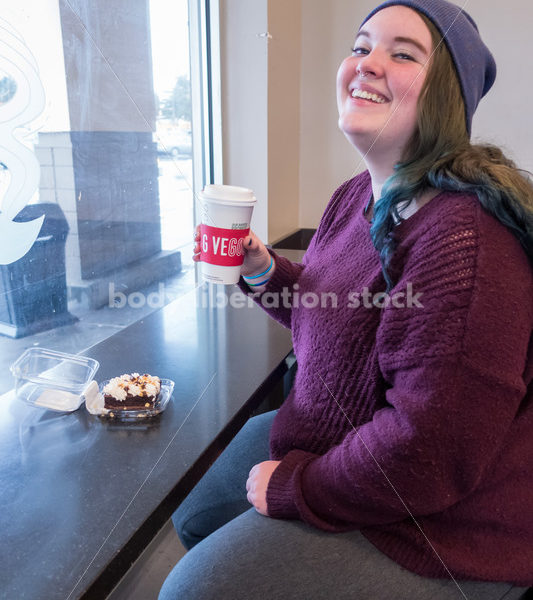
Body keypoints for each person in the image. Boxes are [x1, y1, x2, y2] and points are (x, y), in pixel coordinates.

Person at [160, 1, 533, 598]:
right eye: (361, 47)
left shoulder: (466, 238)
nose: (368, 64)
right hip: (342, 436)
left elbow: (430, 449)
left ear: (448, 99)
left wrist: (296, 488)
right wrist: (261, 272)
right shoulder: (357, 195)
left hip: (438, 522)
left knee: (193, 590)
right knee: (194, 515)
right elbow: (334, 317)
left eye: (403, 53)